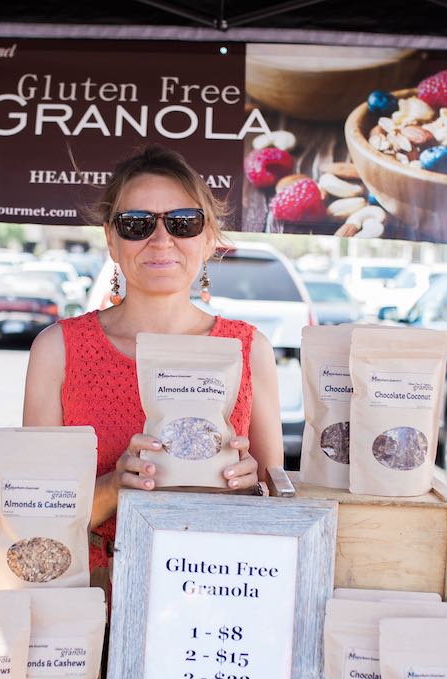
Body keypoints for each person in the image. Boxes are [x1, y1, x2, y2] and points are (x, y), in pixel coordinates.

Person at [22, 146, 283, 574]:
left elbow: (278, 508)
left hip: (216, 596)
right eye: (137, 224)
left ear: (209, 236)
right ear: (111, 239)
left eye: (183, 222)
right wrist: (112, 487)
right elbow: (29, 509)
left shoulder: (249, 349)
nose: (161, 240)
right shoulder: (58, 349)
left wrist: (253, 488)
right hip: (90, 606)